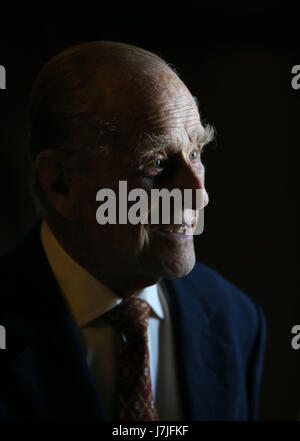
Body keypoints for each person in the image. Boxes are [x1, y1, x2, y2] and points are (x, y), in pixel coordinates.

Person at [0, 41, 266, 421]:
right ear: (60, 183)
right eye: (157, 163)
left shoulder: (236, 320)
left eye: (195, 154)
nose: (199, 195)